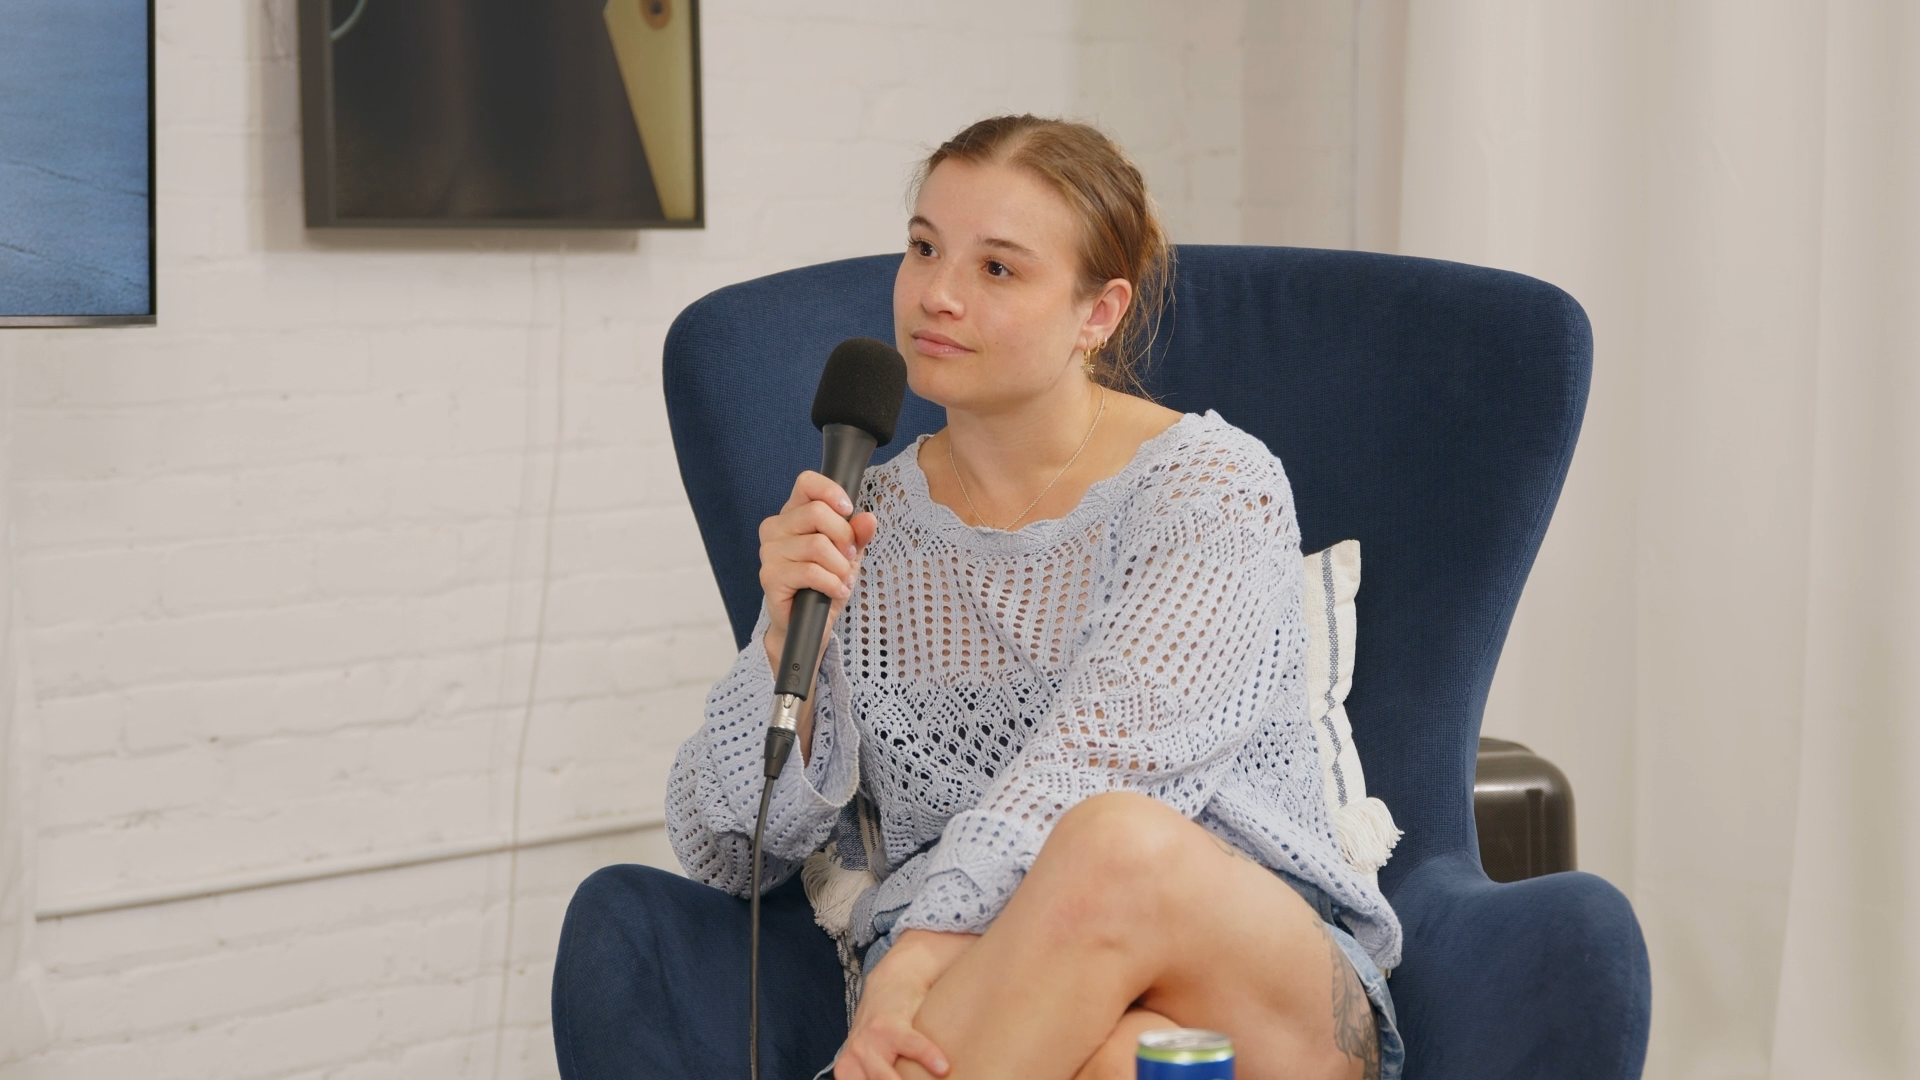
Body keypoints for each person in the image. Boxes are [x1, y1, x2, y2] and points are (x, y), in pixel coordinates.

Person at [552, 115, 1404, 1080]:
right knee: (1117, 1063)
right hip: (1001, 1007)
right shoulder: (866, 518)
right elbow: (724, 853)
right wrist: (787, 648)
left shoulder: (1211, 489)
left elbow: (1100, 767)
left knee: (1113, 839)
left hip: (1248, 980)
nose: (938, 294)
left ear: (1098, 313)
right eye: (924, 248)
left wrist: (916, 956)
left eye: (997, 268)